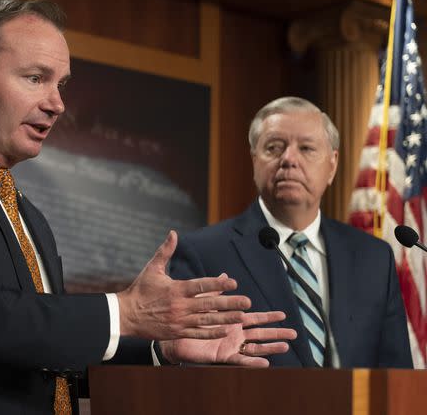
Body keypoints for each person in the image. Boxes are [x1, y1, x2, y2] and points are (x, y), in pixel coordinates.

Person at [0, 0, 296, 415]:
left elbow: (39, 347)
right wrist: (124, 312)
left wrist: (160, 349)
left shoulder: (26, 214)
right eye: (36, 78)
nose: (57, 104)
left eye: (61, 84)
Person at [169, 96, 413, 368]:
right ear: (254, 161)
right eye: (274, 148)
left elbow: (397, 376)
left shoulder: (374, 258)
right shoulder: (203, 253)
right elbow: (185, 368)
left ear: (332, 166)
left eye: (307, 148)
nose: (289, 159)